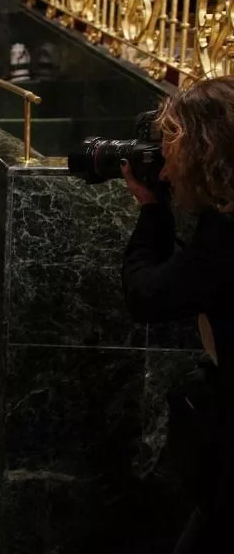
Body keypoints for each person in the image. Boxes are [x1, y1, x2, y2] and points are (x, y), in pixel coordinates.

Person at [120, 76, 234, 553]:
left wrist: (151, 210)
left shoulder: (226, 234)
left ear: (204, 154)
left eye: (172, 156)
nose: (165, 173)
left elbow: (149, 295)